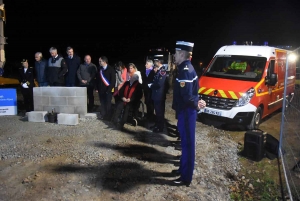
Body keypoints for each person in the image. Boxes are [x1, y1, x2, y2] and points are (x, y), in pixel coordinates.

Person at [172, 41, 206, 187]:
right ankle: (182, 169)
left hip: (186, 111)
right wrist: (197, 101)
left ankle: (186, 177)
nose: (173, 55)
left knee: (187, 145)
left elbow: (187, 96)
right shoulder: (184, 68)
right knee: (185, 143)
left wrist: (196, 103)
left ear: (181, 53)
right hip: (185, 111)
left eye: (175, 52)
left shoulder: (185, 69)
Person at [149, 59, 169, 133]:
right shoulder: (159, 70)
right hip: (157, 95)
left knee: (160, 112)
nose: (155, 63)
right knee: (157, 112)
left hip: (159, 95)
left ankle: (160, 127)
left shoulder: (162, 71)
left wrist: (151, 86)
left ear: (160, 62)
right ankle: (157, 125)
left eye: (156, 62)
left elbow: (159, 84)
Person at [95, 56, 116, 120]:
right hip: (101, 89)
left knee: (108, 103)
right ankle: (103, 115)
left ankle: (108, 116)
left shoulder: (111, 69)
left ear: (104, 61)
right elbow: (97, 79)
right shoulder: (99, 69)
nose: (99, 62)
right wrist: (96, 87)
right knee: (102, 103)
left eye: (100, 61)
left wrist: (109, 90)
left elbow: (113, 80)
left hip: (108, 90)